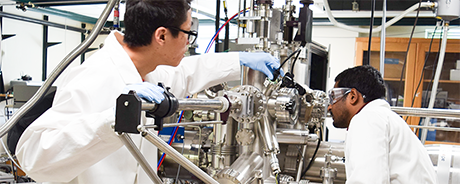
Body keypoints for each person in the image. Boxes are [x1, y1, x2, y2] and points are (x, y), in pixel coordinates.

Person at [15, 0, 280, 183]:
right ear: (161, 36)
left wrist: (239, 61)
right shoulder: (95, 76)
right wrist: (113, 119)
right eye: (188, 33)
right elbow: (33, 158)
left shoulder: (145, 71)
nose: (189, 42)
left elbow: (186, 73)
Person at [327, 65, 436, 184]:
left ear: (353, 96)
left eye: (333, 97)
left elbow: (367, 181)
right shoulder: (380, 117)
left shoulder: (367, 119)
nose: (329, 106)